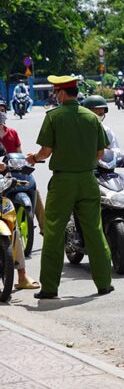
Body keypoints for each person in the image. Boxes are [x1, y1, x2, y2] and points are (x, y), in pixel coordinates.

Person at [26, 75, 113, 299]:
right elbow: (100, 153)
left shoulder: (54, 117)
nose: (55, 96)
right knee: (94, 229)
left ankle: (49, 288)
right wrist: (84, 165)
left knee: (54, 232)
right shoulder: (92, 118)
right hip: (87, 180)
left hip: (63, 182)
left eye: (56, 92)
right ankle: (104, 283)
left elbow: (45, 152)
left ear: (62, 93)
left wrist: (34, 159)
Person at [81, 95, 124, 264]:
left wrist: (120, 156)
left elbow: (115, 149)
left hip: (106, 172)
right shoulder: (78, 130)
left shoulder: (106, 131)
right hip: (84, 173)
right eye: (96, 112)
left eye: (102, 112)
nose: (100, 115)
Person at [0, 111, 39, 291]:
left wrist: (8, 173)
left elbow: (11, 160)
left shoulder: (10, 136)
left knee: (13, 229)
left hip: (2, 194)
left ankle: (22, 276)